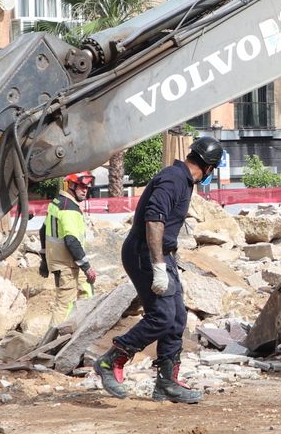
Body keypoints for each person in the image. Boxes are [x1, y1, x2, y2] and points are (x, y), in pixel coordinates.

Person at [92, 135, 224, 404]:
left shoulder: (184, 181)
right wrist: (159, 267)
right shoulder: (174, 179)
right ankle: (111, 360)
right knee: (162, 316)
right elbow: (154, 221)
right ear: (209, 167)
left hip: (161, 253)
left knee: (176, 318)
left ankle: (167, 383)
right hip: (145, 253)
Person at [43, 172, 97, 326]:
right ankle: (52, 343)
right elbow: (72, 241)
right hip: (66, 264)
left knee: (86, 292)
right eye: (81, 186)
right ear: (71, 186)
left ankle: (81, 332)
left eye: (86, 187)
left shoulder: (57, 203)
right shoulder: (69, 208)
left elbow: (43, 230)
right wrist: (87, 267)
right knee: (64, 305)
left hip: (69, 263)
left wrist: (43, 259)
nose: (85, 190)